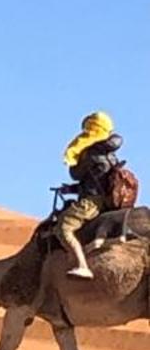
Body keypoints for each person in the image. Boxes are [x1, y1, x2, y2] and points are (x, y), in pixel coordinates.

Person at [55, 112, 123, 278]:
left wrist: (79, 155)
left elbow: (76, 174)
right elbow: (96, 181)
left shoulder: (91, 153)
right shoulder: (111, 154)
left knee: (63, 227)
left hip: (91, 203)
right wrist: (71, 190)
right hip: (107, 201)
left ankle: (81, 265)